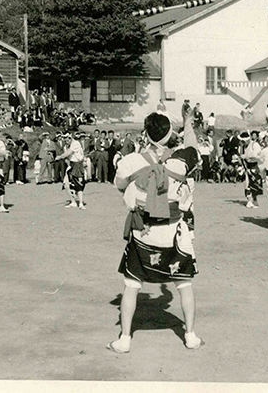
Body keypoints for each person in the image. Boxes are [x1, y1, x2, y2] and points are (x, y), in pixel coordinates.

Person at [109, 111, 202, 353]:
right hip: (174, 231)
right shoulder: (180, 161)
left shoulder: (130, 160)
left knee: (131, 285)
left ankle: (125, 339)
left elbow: (119, 185)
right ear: (171, 133)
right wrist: (189, 122)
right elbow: (192, 146)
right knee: (184, 284)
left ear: (146, 134)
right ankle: (190, 336)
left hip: (144, 231)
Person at [57, 132, 87, 209]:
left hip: (78, 166)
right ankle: (73, 202)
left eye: (67, 139)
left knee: (79, 185)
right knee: (66, 184)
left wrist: (60, 157)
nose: (66, 141)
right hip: (71, 165)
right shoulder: (66, 146)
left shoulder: (76, 143)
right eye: (65, 139)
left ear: (70, 138)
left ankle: (81, 203)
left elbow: (68, 153)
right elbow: (67, 158)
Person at [240, 132, 263, 209]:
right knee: (247, 184)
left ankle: (254, 200)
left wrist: (246, 156)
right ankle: (249, 200)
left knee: (255, 184)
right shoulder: (244, 147)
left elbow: (257, 155)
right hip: (247, 167)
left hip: (254, 166)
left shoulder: (255, 145)